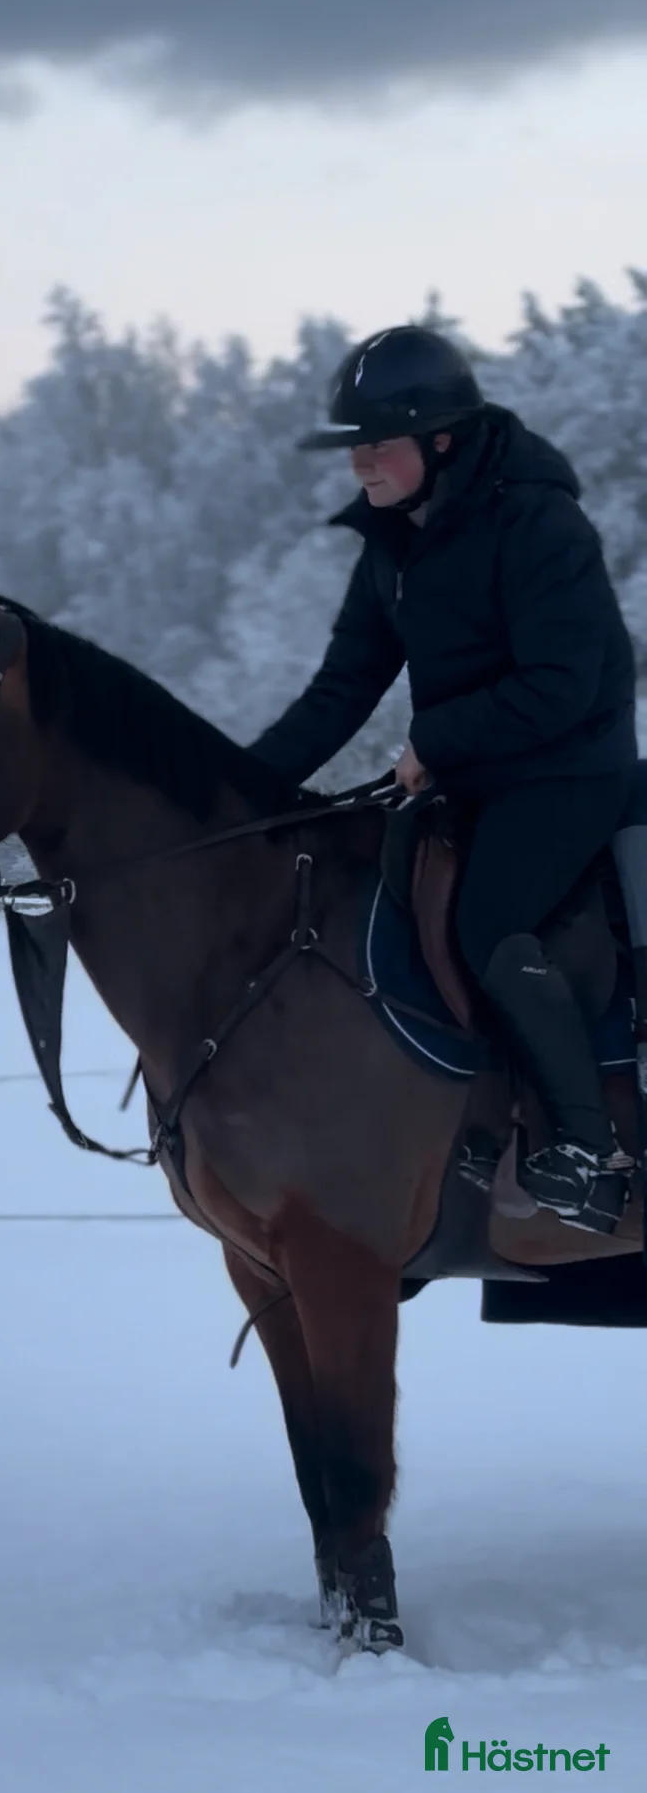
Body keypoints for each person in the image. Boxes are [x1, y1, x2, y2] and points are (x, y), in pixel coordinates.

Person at [250, 325, 637, 1233]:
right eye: (352, 451)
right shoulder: (393, 544)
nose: (359, 470)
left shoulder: (540, 520)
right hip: (472, 772)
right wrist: (238, 790)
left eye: (374, 447)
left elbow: (561, 685)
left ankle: (589, 1149)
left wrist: (435, 739)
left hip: (572, 769)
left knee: (487, 918)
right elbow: (342, 687)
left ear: (443, 440)